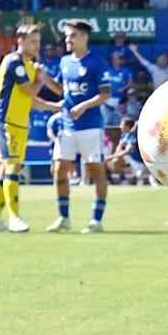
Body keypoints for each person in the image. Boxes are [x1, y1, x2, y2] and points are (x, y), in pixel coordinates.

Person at [37, 19, 112, 233]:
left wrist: (83, 106)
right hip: (67, 126)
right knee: (59, 171)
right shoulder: (64, 62)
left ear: (84, 37)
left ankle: (96, 220)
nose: (67, 39)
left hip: (90, 126)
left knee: (96, 171)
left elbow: (105, 94)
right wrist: (44, 78)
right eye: (67, 36)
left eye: (72, 35)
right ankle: (63, 218)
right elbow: (61, 90)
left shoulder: (96, 63)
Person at [0, 23, 59, 233]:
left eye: (38, 42)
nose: (37, 46)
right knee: (12, 166)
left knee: (5, 169)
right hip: (4, 122)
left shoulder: (29, 65)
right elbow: (29, 90)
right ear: (20, 41)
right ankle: (14, 217)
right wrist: (40, 79)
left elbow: (33, 101)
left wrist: (56, 107)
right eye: (33, 41)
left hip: (19, 124)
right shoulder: (13, 61)